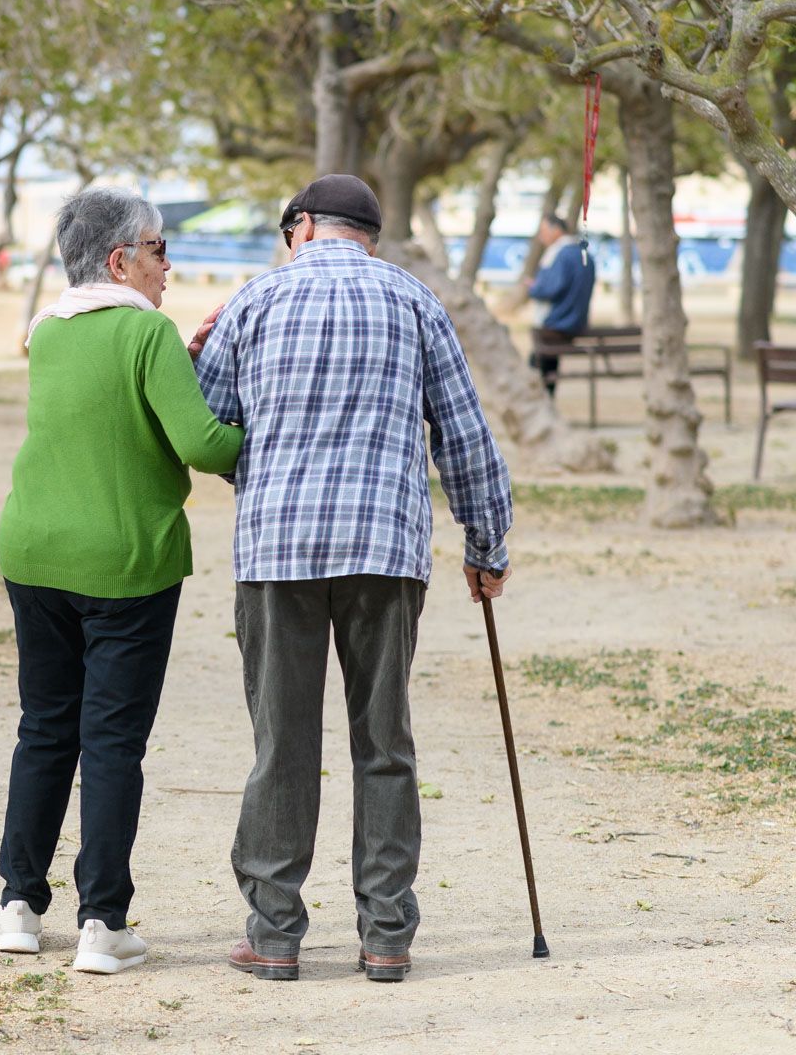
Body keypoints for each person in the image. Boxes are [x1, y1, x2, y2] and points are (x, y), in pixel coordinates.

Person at [194, 174, 513, 984]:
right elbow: (466, 436)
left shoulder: (253, 303)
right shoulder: (414, 303)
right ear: (369, 233)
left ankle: (273, 935)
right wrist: (486, 544)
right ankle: (386, 936)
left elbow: (208, 427)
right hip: (387, 550)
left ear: (301, 226)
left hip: (276, 551)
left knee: (282, 746)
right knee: (385, 743)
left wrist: (209, 363)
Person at [0, 186, 240, 975]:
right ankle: (103, 921)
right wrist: (283, 429)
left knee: (44, 728)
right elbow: (204, 444)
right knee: (110, 742)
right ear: (120, 259)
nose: (170, 263)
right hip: (125, 564)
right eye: (160, 248)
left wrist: (179, 365)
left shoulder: (50, 329)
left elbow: (109, 407)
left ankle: (19, 907)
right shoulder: (148, 331)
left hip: (33, 551)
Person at [527, 214, 596, 396]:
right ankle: (547, 395)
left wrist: (533, 288)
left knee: (536, 360)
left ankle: (542, 397)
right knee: (547, 359)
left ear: (556, 230)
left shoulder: (559, 254)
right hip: (577, 323)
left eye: (543, 231)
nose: (541, 237)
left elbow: (550, 289)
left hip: (557, 323)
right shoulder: (585, 253)